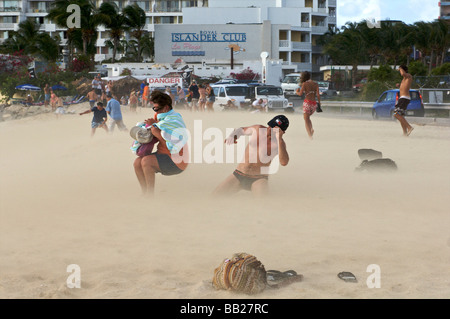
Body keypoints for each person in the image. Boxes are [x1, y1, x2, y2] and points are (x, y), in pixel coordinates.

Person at [213, 115, 290, 197]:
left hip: (259, 179)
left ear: (282, 132)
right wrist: (233, 136)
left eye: (274, 130)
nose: (269, 130)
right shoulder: (258, 129)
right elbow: (241, 130)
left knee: (263, 205)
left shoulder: (279, 143)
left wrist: (279, 139)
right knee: (215, 196)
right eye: (270, 126)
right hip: (239, 174)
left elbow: (284, 162)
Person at [133, 90, 189, 196]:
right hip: (163, 155)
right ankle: (144, 193)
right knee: (137, 163)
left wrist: (156, 131)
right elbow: (158, 126)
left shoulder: (174, 120)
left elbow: (173, 146)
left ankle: (150, 195)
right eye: (154, 108)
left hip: (177, 160)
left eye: (157, 109)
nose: (155, 112)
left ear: (166, 108)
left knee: (146, 161)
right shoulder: (159, 118)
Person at [296, 71, 320, 140]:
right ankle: (311, 129)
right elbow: (318, 95)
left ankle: (310, 136)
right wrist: (319, 103)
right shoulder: (315, 84)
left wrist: (297, 91)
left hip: (307, 103)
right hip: (314, 104)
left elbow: (300, 94)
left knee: (306, 120)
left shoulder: (304, 84)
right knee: (308, 118)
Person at [395, 65, 414, 136]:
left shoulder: (408, 76)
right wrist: (399, 85)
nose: (400, 72)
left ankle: (409, 127)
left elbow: (403, 73)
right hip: (402, 98)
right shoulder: (404, 79)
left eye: (400, 70)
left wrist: (400, 68)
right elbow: (404, 86)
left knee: (396, 114)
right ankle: (405, 132)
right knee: (401, 116)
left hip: (404, 98)